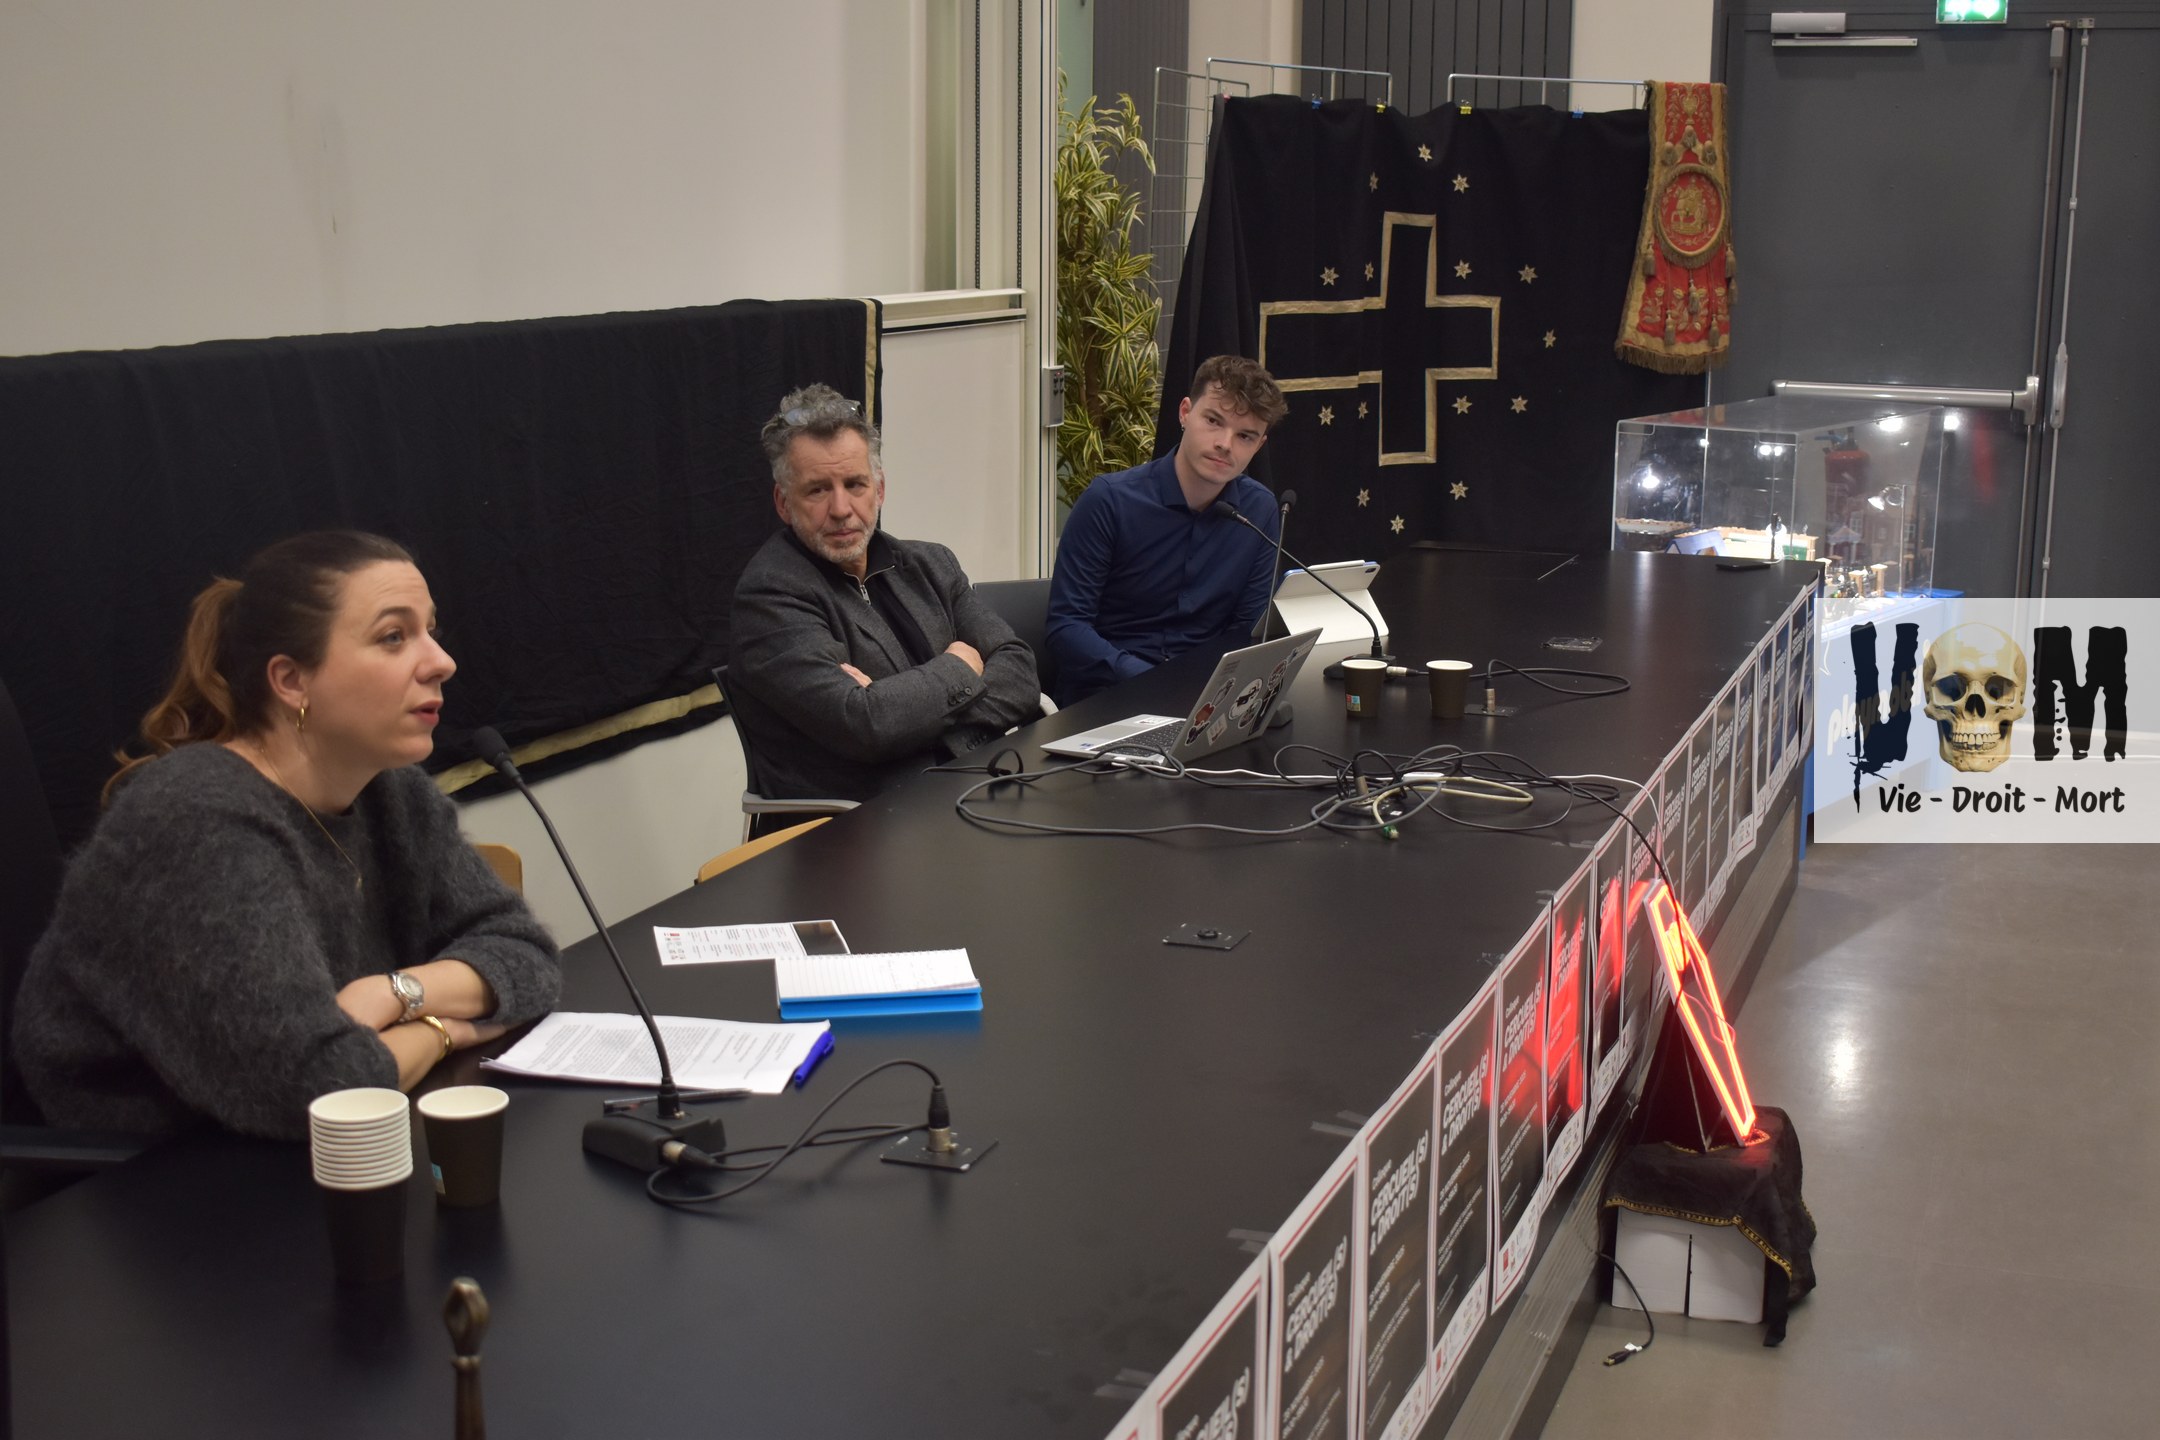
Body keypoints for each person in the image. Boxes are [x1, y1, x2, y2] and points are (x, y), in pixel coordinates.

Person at [12, 531, 562, 1141]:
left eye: (430, 630)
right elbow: (322, 1089)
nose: (441, 662)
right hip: (154, 1170)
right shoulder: (195, 820)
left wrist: (395, 993)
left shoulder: (390, 790)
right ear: (292, 681)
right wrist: (445, 1030)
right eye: (393, 636)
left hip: (300, 1138)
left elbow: (527, 956)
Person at [728, 384, 1040, 814]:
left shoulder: (931, 563)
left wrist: (904, 712)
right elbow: (866, 725)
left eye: (855, 484)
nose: (841, 508)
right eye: (817, 490)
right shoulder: (768, 596)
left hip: (972, 789)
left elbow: (1021, 673)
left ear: (879, 489)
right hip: (861, 827)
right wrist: (962, 666)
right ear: (783, 503)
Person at [1045, 355, 1288, 706]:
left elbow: (1249, 629)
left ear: (1259, 445)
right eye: (1213, 421)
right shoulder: (1109, 501)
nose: (1225, 443)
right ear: (1185, 412)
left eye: (1245, 436)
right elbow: (1067, 628)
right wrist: (1156, 682)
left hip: (1204, 699)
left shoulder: (1258, 509)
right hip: (1106, 696)